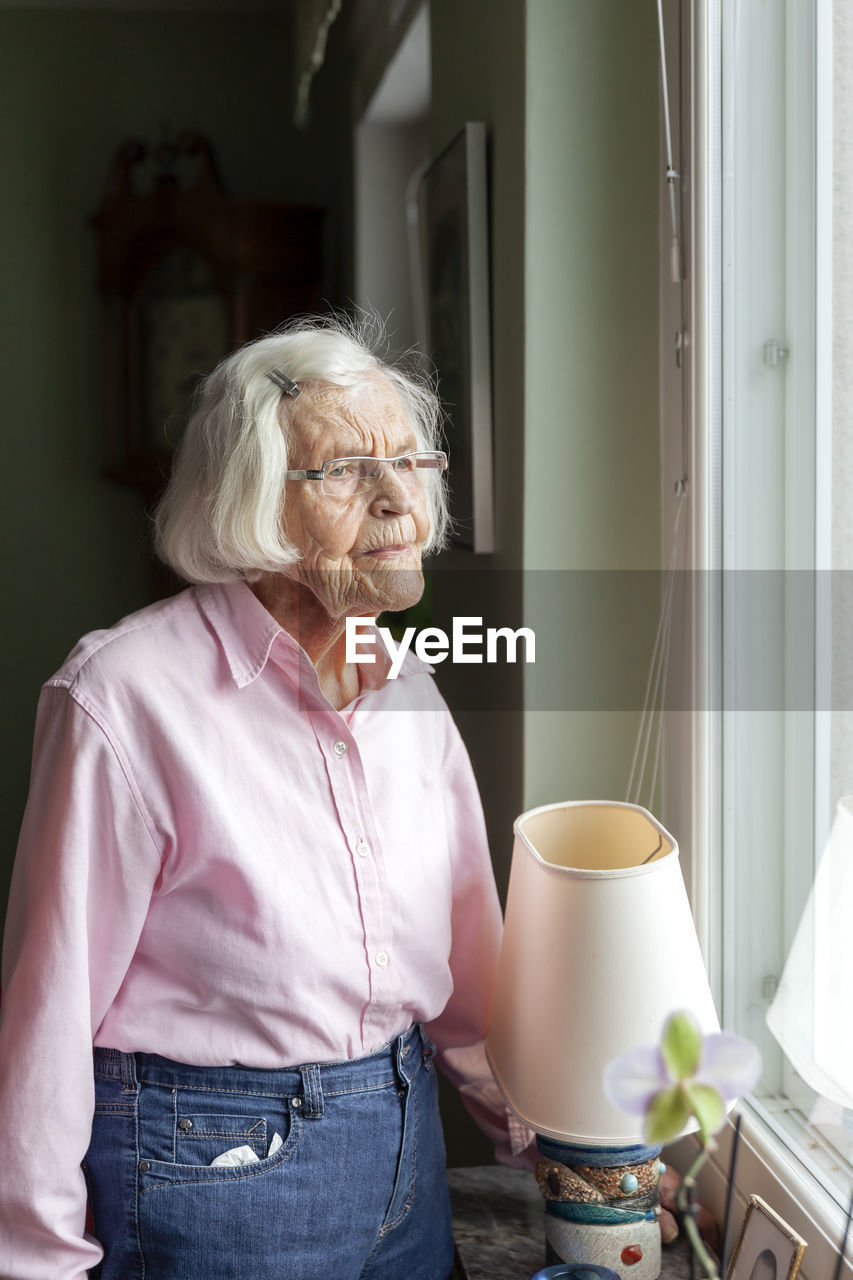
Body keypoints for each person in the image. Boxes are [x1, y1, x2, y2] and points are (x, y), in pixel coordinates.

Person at [0, 315, 526, 1279]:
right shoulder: (122, 697)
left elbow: (468, 966)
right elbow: (49, 1010)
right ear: (249, 504)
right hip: (210, 1165)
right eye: (347, 472)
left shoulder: (406, 683)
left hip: (405, 1152)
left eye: (411, 463)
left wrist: (547, 1140)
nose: (398, 501)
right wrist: (32, 1259)